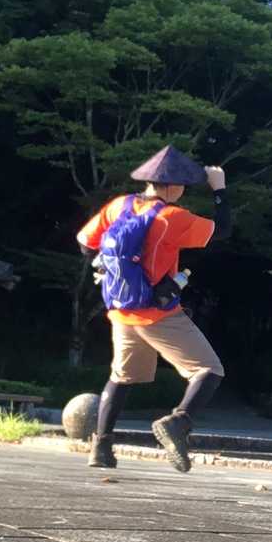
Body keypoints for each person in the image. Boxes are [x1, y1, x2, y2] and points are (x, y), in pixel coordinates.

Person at [76, 145, 232, 472]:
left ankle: (100, 449)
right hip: (158, 313)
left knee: (121, 377)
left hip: (120, 310)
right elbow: (222, 231)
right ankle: (178, 422)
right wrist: (219, 190)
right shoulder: (171, 217)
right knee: (209, 369)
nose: (184, 191)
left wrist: (110, 269)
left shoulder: (119, 205)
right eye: (183, 186)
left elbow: (86, 243)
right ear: (172, 186)